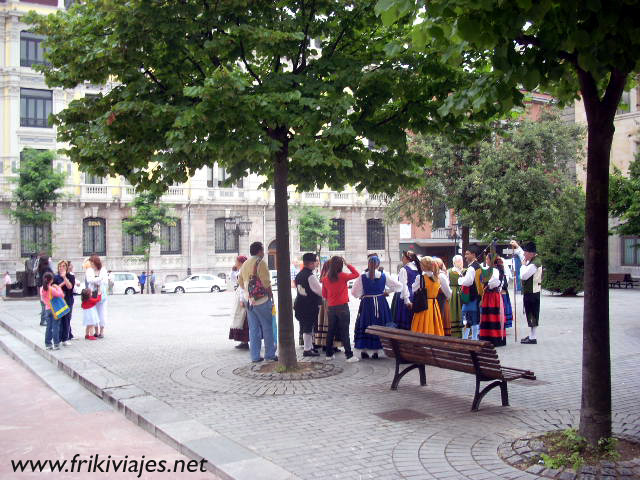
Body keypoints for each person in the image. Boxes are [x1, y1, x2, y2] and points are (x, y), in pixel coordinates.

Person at [352, 255, 402, 359]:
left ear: (368, 264)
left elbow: (354, 292)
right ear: (378, 265)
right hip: (380, 302)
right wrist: (387, 292)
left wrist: (362, 295)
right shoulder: (384, 275)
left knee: (366, 323)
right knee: (380, 323)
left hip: (367, 303)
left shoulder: (362, 276)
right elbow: (398, 286)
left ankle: (364, 351)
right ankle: (376, 352)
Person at [238, 242, 277, 363]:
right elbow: (266, 282)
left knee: (253, 329)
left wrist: (247, 293)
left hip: (248, 300)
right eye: (262, 250)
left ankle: (255, 356)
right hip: (261, 299)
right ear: (259, 251)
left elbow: (240, 282)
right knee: (267, 327)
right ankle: (269, 354)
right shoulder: (261, 263)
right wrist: (270, 295)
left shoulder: (245, 264)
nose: (264, 252)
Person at [321, 256, 360, 362]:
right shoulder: (343, 276)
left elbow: (324, 294)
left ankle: (329, 354)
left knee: (331, 331)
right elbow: (356, 274)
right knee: (344, 332)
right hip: (342, 307)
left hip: (331, 307)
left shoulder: (325, 279)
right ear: (341, 266)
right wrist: (348, 264)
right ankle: (349, 355)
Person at [511, 240, 542, 344]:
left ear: (531, 253)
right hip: (531, 292)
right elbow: (521, 255)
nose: (524, 254)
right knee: (530, 313)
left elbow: (523, 276)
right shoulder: (531, 260)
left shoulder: (534, 264)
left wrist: (522, 266)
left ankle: (533, 337)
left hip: (533, 293)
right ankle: (532, 335)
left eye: (526, 253)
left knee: (532, 314)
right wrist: (517, 246)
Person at [294, 253, 323, 357]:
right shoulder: (310, 276)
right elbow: (320, 291)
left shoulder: (299, 275)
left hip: (300, 303)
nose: (316, 264)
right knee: (308, 327)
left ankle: (309, 347)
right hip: (309, 305)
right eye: (315, 262)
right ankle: (307, 349)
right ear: (311, 263)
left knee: (306, 326)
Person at [410, 256, 446, 336]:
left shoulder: (420, 277)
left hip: (423, 305)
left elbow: (413, 289)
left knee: (422, 325)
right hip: (434, 305)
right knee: (434, 324)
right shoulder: (437, 277)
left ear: (423, 265)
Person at [313, 260, 343, 353]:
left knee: (325, 323)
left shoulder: (324, 276)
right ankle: (332, 345)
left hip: (325, 301)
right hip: (331, 302)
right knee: (332, 323)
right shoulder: (331, 276)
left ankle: (325, 343)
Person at [478, 253, 507, 347]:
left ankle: (493, 337)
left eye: (487, 259)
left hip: (492, 295)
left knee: (492, 315)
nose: (486, 261)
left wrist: (486, 284)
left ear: (491, 260)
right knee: (489, 315)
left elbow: (495, 282)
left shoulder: (494, 270)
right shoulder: (493, 270)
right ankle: (489, 337)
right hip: (490, 295)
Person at [458, 245, 483, 340]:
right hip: (476, 297)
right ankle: (474, 338)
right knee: (474, 319)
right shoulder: (478, 266)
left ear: (473, 254)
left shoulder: (472, 268)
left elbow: (467, 282)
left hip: (470, 298)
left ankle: (466, 339)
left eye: (467, 254)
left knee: (466, 319)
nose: (465, 256)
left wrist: (460, 279)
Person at [393, 251, 421, 330]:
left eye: (403, 257)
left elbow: (403, 285)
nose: (402, 259)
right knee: (413, 320)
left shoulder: (404, 269)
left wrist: (407, 300)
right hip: (415, 296)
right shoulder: (417, 269)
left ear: (407, 259)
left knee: (405, 321)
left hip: (407, 296)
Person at [228, 256, 249, 349]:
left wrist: (241, 300)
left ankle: (245, 340)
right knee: (240, 317)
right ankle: (243, 340)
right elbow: (233, 280)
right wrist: (233, 271)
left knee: (243, 317)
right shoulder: (239, 270)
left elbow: (243, 286)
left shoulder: (244, 271)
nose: (235, 263)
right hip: (240, 296)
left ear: (240, 262)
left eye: (236, 261)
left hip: (243, 296)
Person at [86, 255, 108, 338]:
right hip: (92, 294)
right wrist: (99, 279)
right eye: (90, 263)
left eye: (92, 263)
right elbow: (89, 280)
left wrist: (96, 280)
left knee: (102, 312)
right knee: (93, 312)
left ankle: (102, 330)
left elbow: (105, 281)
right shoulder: (89, 270)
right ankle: (96, 331)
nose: (91, 265)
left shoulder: (103, 270)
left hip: (101, 294)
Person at [53, 261, 75, 346]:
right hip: (58, 300)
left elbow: (70, 287)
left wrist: (65, 277)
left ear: (66, 267)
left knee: (67, 319)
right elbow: (54, 287)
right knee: (59, 319)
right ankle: (57, 338)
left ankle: (65, 338)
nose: (61, 268)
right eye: (60, 266)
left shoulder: (71, 276)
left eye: (63, 266)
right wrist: (62, 283)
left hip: (68, 299)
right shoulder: (55, 277)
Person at [41, 272, 64, 350]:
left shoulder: (42, 288)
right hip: (54, 309)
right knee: (55, 327)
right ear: (51, 280)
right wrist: (58, 287)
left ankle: (48, 344)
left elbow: (43, 300)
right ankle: (56, 344)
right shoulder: (51, 289)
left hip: (47, 309)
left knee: (49, 327)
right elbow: (61, 295)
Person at [434, 258, 453, 336]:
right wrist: (448, 296)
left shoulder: (440, 275)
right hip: (438, 298)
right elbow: (448, 291)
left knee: (440, 317)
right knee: (439, 317)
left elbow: (446, 290)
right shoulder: (439, 275)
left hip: (440, 298)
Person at [448, 255, 464, 338]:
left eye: (461, 261)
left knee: (462, 310)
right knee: (454, 310)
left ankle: (464, 330)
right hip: (453, 292)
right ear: (454, 262)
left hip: (462, 291)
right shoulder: (449, 271)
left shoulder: (465, 270)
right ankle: (455, 332)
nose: (460, 262)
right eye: (458, 261)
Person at [495, 256, 513, 329]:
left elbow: (505, 280)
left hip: (501, 291)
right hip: (501, 291)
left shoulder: (499, 270)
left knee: (503, 308)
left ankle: (502, 323)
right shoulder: (497, 269)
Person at [36, 255, 53, 326]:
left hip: (40, 287)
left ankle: (43, 320)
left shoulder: (40, 268)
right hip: (46, 287)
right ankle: (44, 320)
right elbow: (51, 276)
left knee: (43, 303)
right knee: (45, 304)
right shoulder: (47, 268)